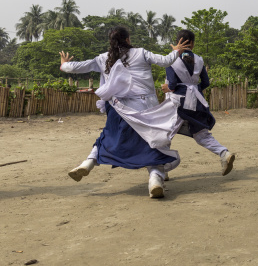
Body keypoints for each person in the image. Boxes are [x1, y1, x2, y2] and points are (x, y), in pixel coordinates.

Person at [61, 26, 190, 198]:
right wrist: (177, 51)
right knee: (154, 145)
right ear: (128, 40)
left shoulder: (103, 58)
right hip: (145, 107)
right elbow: (165, 61)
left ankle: (88, 163)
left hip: (118, 109)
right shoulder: (141, 53)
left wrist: (64, 65)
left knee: (107, 137)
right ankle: (155, 179)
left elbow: (78, 67)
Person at [161, 30, 235, 176]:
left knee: (165, 134)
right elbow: (206, 82)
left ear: (177, 43)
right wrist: (195, 90)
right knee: (201, 134)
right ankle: (224, 153)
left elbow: (173, 84)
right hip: (196, 101)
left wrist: (168, 88)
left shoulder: (171, 60)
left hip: (177, 103)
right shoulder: (199, 60)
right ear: (193, 44)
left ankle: (161, 170)